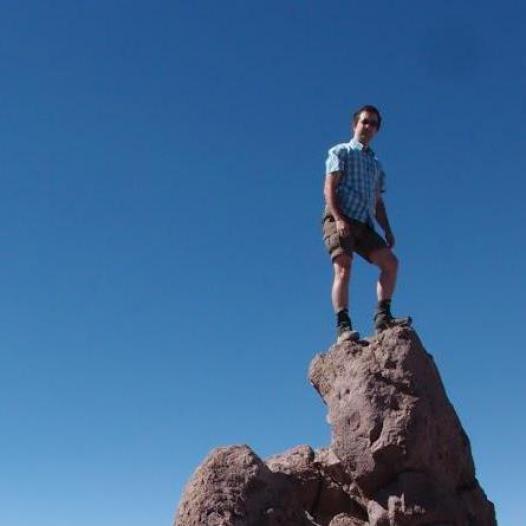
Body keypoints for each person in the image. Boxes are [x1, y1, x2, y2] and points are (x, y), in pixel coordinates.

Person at [322, 104, 411, 343]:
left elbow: (377, 201)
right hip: (341, 215)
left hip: (364, 223)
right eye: (365, 121)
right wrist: (338, 218)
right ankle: (343, 325)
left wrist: (387, 229)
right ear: (355, 125)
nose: (368, 127)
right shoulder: (341, 151)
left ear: (377, 130)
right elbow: (329, 187)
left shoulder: (376, 165)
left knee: (390, 263)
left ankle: (383, 317)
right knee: (343, 266)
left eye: (373, 124)